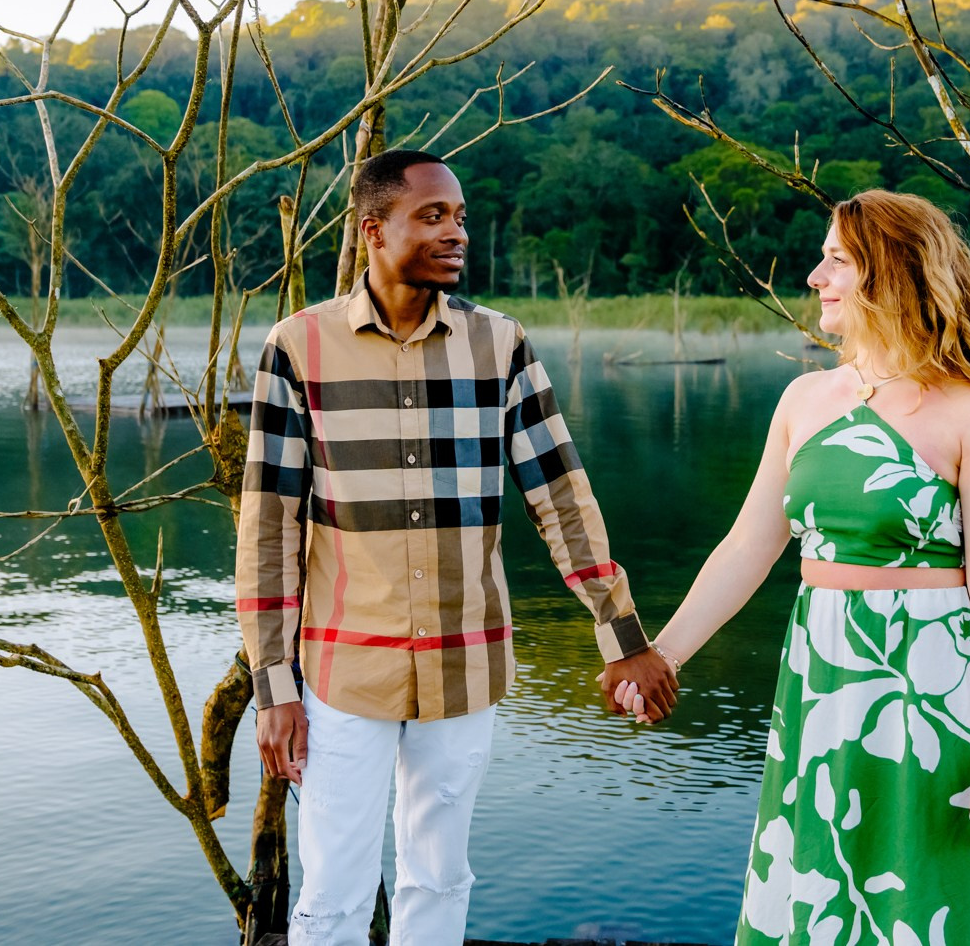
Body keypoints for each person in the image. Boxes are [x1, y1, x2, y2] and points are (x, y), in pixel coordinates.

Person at [235, 148, 678, 945]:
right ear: (373, 230)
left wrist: (621, 635)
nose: (456, 233)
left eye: (461, 218)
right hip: (343, 671)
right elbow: (269, 528)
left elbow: (561, 497)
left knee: (439, 876)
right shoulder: (298, 347)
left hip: (465, 660)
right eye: (432, 216)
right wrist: (274, 686)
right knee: (331, 890)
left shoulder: (498, 344)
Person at [611, 189, 970, 945]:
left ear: (889, 274)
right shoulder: (804, 400)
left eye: (837, 260)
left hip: (935, 696)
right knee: (825, 881)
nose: (816, 276)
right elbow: (749, 546)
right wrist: (664, 652)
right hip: (821, 687)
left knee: (923, 890)